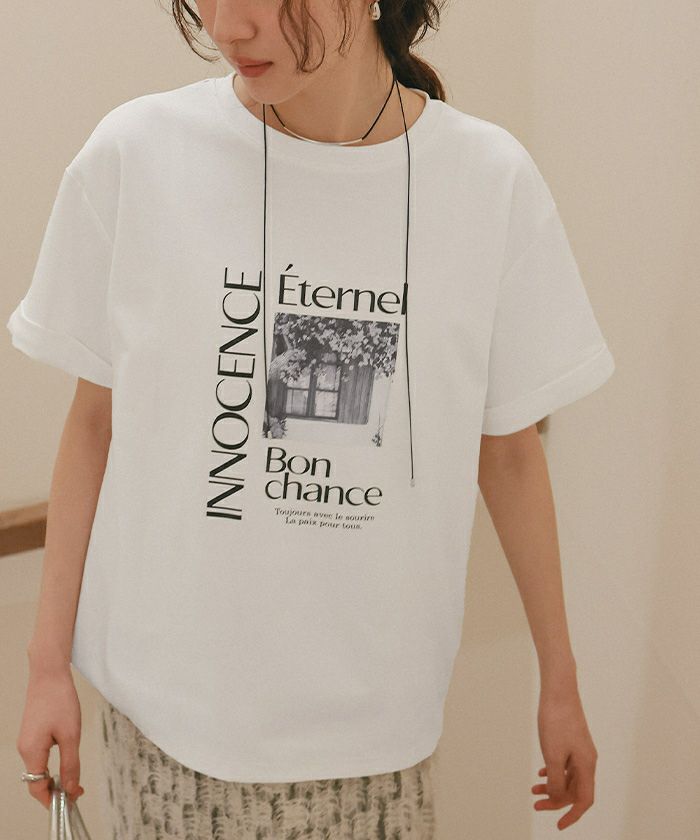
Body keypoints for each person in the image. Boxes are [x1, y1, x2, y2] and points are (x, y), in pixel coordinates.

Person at [10, 0, 614, 836]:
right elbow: (93, 426)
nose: (227, 27)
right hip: (165, 723)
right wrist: (47, 665)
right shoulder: (139, 154)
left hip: (373, 736)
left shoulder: (486, 182)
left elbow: (507, 452)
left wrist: (560, 681)